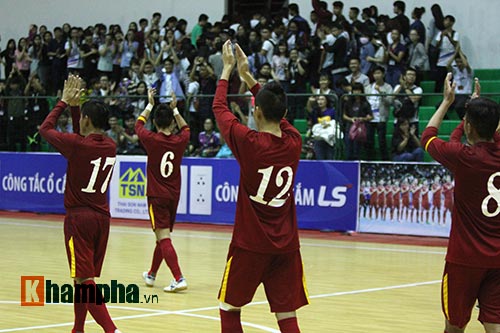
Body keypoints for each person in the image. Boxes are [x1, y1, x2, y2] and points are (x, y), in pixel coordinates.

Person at [213, 40, 308, 333]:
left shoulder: (249, 142)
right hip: (286, 246)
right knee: (286, 315)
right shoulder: (294, 142)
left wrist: (229, 69)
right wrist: (250, 79)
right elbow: (278, 113)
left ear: (256, 113)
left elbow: (218, 106)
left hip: (250, 245)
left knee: (229, 308)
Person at [39, 75, 121, 333]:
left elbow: (45, 129)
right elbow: (81, 137)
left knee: (84, 280)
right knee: (81, 278)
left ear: (86, 120)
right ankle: (77, 329)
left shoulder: (76, 146)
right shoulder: (110, 145)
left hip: (79, 220)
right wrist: (77, 108)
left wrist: (63, 102)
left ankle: (112, 330)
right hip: (101, 220)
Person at [422, 74, 500, 333]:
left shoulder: (463, 157)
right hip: (498, 259)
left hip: (464, 259)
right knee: (494, 325)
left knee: (454, 326)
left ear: (468, 127)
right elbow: (491, 130)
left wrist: (447, 102)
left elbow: (429, 137)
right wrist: (476, 112)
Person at [137, 88, 190, 293]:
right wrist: (176, 110)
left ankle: (179, 277)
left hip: (156, 196)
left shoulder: (151, 139)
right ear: (171, 123)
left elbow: (138, 124)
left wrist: (150, 104)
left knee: (163, 237)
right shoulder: (180, 140)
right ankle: (151, 274)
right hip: (173, 196)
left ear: (156, 123)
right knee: (162, 236)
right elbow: (186, 129)